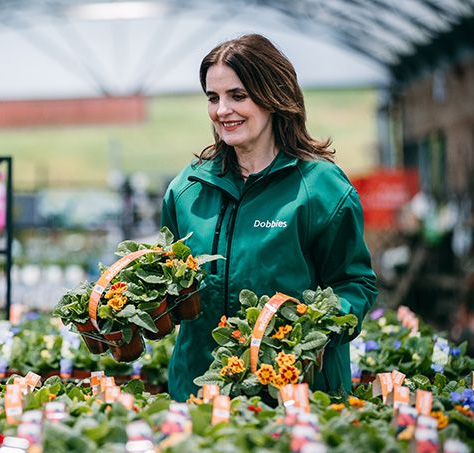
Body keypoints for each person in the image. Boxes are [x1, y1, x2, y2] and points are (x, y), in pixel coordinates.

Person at [161, 34, 378, 402]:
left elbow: (354, 284)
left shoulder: (320, 188)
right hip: (200, 393)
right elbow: (175, 283)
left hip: (296, 394)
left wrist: (314, 328)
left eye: (238, 95)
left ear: (273, 95)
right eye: (213, 98)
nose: (222, 110)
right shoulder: (187, 189)